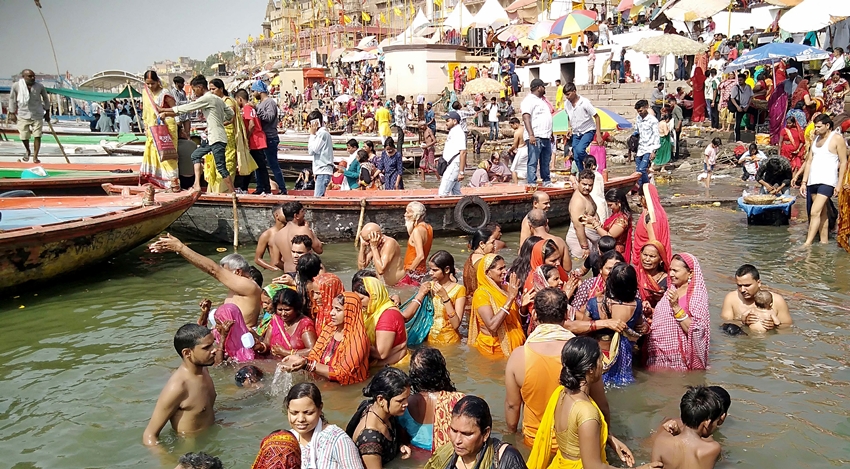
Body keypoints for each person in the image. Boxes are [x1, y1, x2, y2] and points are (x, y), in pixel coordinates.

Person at [506, 288, 617, 448]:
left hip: (534, 442)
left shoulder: (518, 356)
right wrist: (608, 435)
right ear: (566, 314)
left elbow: (512, 405)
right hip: (576, 444)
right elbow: (601, 403)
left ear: (535, 315)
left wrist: (512, 437)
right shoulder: (583, 353)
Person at [527, 337, 658, 469]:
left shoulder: (562, 393)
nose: (603, 365)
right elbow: (594, 467)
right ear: (590, 369)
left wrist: (611, 440)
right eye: (600, 360)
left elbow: (575, 439)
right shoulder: (586, 412)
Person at [150, 236, 262, 327]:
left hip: (241, 343)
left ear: (237, 272)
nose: (222, 277)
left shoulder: (249, 286)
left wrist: (180, 248)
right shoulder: (237, 290)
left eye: (225, 272)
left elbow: (213, 270)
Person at [142, 324, 217, 446]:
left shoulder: (204, 370)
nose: (214, 350)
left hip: (212, 440)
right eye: (206, 347)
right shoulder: (178, 387)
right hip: (190, 450)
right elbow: (149, 435)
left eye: (213, 344)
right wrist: (170, 462)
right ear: (187, 353)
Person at [160, 75, 235, 192]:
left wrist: (164, 111)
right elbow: (230, 114)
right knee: (195, 155)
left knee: (221, 168)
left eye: (194, 90)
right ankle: (197, 185)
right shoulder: (218, 99)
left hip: (217, 138)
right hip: (214, 137)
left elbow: (187, 108)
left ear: (200, 87)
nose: (194, 93)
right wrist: (217, 121)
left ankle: (233, 193)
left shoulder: (207, 98)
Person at [265, 383, 363, 469]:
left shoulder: (337, 440)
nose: (300, 419)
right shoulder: (284, 443)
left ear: (320, 409)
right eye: (294, 413)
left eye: (308, 413)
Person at [284, 293, 370, 385]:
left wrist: (307, 364)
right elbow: (314, 355)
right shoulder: (330, 329)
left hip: (345, 389)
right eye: (332, 308)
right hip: (324, 383)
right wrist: (298, 360)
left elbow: (343, 374)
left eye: (338, 310)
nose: (332, 313)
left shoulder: (358, 339)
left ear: (350, 312)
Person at [646, 253, 710, 371]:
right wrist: (651, 311)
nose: (670, 274)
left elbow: (697, 330)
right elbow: (666, 315)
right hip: (658, 353)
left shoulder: (697, 296)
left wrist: (676, 307)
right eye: (670, 270)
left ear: (690, 273)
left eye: (675, 271)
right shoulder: (672, 289)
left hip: (680, 360)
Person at [423, 396, 526, 469]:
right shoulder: (443, 456)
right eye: (454, 431)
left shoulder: (506, 459)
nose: (457, 440)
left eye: (466, 434)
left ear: (485, 433)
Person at [583, 263, 643, 386]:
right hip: (623, 358)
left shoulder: (595, 303)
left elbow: (583, 329)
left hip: (600, 355)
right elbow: (640, 327)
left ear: (610, 282)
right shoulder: (637, 305)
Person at [398, 348, 465, 452]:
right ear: (440, 371)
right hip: (446, 456)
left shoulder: (403, 404)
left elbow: (403, 439)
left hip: (417, 456)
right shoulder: (457, 400)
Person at [346, 367, 412, 468]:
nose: (406, 404)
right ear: (381, 399)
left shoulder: (383, 412)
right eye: (400, 401)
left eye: (407, 398)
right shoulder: (370, 441)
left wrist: (400, 445)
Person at [401, 251, 467, 345]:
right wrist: (421, 294)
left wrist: (445, 297)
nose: (430, 273)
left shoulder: (459, 289)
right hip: (428, 339)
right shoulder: (429, 287)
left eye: (435, 270)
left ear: (447, 269)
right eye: (430, 269)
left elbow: (456, 324)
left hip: (449, 342)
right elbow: (410, 313)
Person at [651, 386, 723, 469]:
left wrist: (678, 433)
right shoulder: (713, 448)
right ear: (707, 423)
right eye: (716, 421)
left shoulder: (661, 442)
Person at [470, 254, 526, 357]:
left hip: (516, 348)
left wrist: (523, 307)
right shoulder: (481, 294)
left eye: (504, 267)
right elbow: (492, 326)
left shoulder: (506, 288)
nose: (505, 271)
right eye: (500, 268)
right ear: (488, 273)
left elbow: (514, 320)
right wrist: (510, 299)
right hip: (494, 352)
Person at [139, 71, 180, 190]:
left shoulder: (165, 93)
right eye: (148, 84)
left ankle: (173, 182)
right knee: (153, 153)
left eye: (152, 83)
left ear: (158, 81)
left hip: (167, 126)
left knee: (168, 154)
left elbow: (175, 110)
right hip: (152, 128)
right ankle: (157, 182)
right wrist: (146, 126)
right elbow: (145, 112)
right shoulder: (145, 93)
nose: (150, 86)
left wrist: (163, 111)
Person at [356, 277, 410, 366]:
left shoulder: (389, 315)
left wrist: (355, 343)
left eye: (361, 299)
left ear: (374, 296)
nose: (358, 303)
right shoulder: (369, 310)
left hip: (392, 367)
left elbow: (381, 353)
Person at [720, 264, 792, 330]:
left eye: (747, 285)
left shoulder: (777, 300)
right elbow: (724, 324)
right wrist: (743, 323)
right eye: (739, 285)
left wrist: (774, 327)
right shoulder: (731, 298)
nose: (742, 290)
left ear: (759, 283)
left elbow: (787, 327)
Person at [8, 69, 51, 159]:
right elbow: (12, 99)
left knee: (37, 135)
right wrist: (12, 112)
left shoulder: (39, 86)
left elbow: (46, 99)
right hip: (23, 114)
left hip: (37, 114)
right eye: (30, 76)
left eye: (33, 76)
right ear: (23, 77)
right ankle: (28, 150)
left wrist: (47, 112)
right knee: (24, 136)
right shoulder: (16, 86)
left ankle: (35, 156)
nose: (33, 78)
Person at [235, 89, 271, 194]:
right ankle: (246, 188)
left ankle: (266, 190)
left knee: (259, 166)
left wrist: (246, 137)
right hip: (258, 139)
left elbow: (251, 124)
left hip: (255, 141)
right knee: (253, 165)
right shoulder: (251, 108)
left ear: (240, 99)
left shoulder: (246, 108)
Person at [262, 288, 316, 357]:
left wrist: (286, 353)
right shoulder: (276, 319)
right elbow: (267, 343)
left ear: (296, 308)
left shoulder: (305, 324)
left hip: (295, 365)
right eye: (280, 310)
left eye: (287, 310)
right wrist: (260, 346)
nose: (283, 313)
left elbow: (312, 350)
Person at [254, 82, 287, 193]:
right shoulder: (259, 104)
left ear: (259, 91)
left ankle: (282, 189)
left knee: (273, 164)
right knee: (259, 164)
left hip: (270, 137)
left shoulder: (270, 102)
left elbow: (269, 117)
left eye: (254, 91)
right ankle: (260, 187)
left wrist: (257, 112)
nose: (253, 94)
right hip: (262, 138)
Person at [631, 184, 672, 272]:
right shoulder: (660, 212)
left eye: (640, 197)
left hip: (648, 262)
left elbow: (654, 243)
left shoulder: (650, 217)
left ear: (644, 197)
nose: (639, 200)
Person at [274, 201, 324, 272]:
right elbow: (319, 250)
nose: (304, 214)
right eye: (302, 211)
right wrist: (309, 230)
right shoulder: (304, 230)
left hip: (288, 273)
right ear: (296, 216)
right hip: (304, 273)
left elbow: (276, 262)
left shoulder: (277, 235)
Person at [521, 78, 554, 186]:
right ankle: (532, 182)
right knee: (533, 161)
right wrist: (531, 134)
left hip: (546, 136)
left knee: (545, 161)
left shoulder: (542, 101)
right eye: (543, 86)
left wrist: (551, 133)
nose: (544, 88)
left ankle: (546, 180)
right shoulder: (529, 100)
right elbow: (526, 117)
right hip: (536, 136)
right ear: (539, 88)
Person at [564, 83, 602, 172]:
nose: (567, 97)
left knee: (580, 150)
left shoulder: (585, 103)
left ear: (574, 91)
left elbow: (597, 117)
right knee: (576, 155)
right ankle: (583, 173)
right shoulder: (566, 104)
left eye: (568, 94)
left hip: (588, 130)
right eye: (565, 95)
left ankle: (592, 164)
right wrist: (569, 128)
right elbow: (569, 116)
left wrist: (598, 134)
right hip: (576, 132)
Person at [587, 189, 633, 262]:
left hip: (616, 253)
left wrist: (596, 225)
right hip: (608, 250)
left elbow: (609, 236)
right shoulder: (615, 214)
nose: (609, 207)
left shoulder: (622, 220)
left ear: (619, 203)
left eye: (610, 205)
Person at [566, 170, 601, 260]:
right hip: (579, 240)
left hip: (590, 237)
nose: (587, 188)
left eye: (590, 185)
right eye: (584, 184)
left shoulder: (586, 195)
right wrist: (584, 247)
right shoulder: (578, 201)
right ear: (578, 182)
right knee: (582, 268)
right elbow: (578, 226)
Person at [398, 201, 433, 286]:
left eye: (408, 212)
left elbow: (420, 255)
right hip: (421, 271)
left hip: (413, 273)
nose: (405, 215)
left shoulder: (417, 230)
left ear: (416, 215)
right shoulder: (429, 228)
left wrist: (409, 272)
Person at [463, 227, 501, 300]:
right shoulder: (484, 262)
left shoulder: (471, 257)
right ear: (482, 244)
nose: (495, 246)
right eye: (492, 243)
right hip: (482, 302)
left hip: (470, 302)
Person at [439, 111, 467, 196]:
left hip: (454, 165)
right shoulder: (454, 131)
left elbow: (463, 152)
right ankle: (462, 208)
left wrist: (461, 172)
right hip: (451, 163)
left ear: (454, 121)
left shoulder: (459, 132)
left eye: (448, 121)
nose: (446, 123)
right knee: (456, 192)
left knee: (443, 193)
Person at [307, 110, 334, 197]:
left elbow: (312, 151)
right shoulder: (321, 134)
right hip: (321, 171)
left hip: (323, 170)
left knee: (318, 197)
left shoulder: (322, 134)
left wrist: (312, 134)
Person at [634, 100, 660, 188]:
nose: (640, 113)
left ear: (646, 108)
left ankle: (647, 187)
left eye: (641, 111)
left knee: (642, 169)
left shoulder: (653, 120)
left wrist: (654, 151)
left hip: (649, 148)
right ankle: (641, 189)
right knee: (638, 171)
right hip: (640, 147)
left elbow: (656, 136)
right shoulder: (638, 118)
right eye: (638, 112)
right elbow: (637, 131)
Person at [255, 205, 286, 271]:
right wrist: (273, 269)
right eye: (285, 212)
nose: (288, 214)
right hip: (276, 272)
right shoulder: (267, 235)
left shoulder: (291, 231)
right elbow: (257, 259)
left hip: (290, 270)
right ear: (277, 215)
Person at [730, 73, 754, 142]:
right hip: (739, 107)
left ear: (744, 80)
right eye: (739, 80)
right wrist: (737, 107)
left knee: (755, 113)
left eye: (741, 80)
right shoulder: (735, 88)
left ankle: (753, 129)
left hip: (746, 106)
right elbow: (732, 98)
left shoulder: (748, 87)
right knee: (737, 124)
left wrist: (748, 106)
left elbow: (751, 97)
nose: (740, 81)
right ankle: (737, 139)